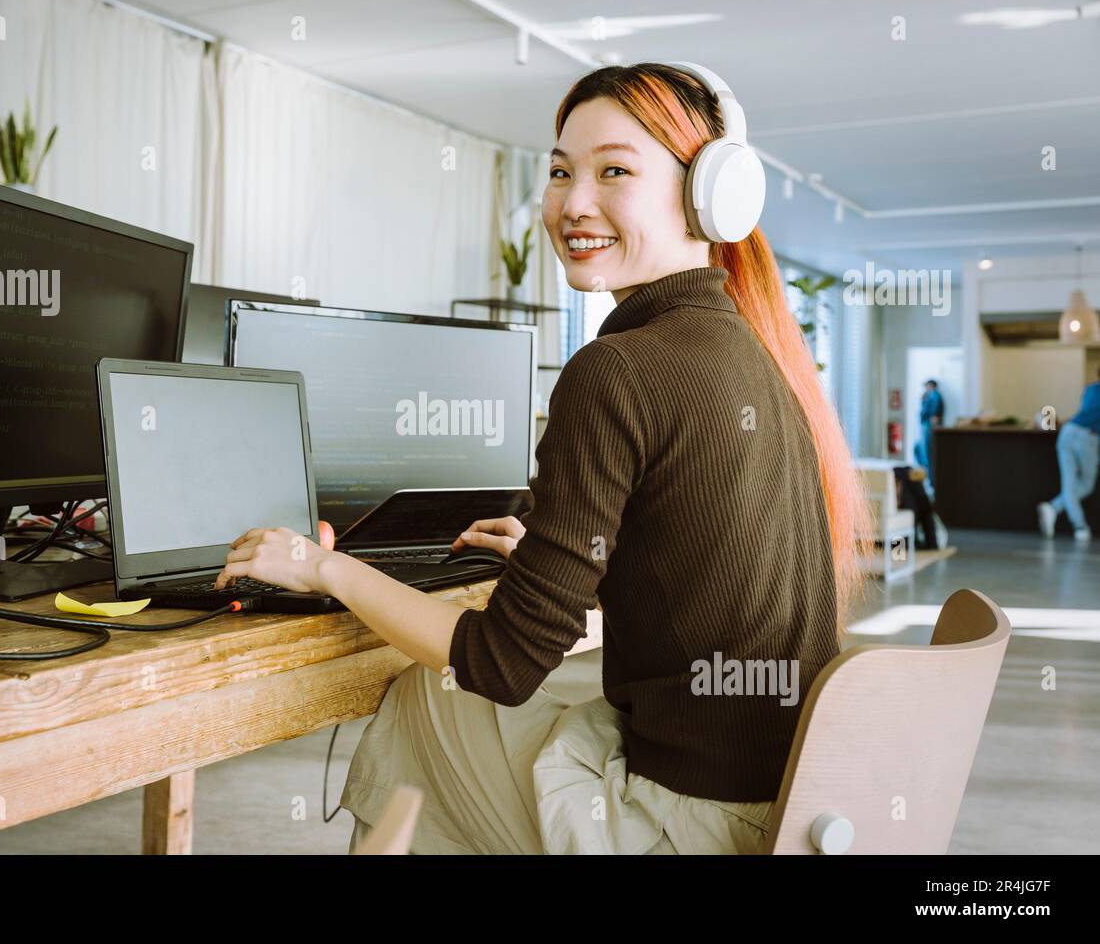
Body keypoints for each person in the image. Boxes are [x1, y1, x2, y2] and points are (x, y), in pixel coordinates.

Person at [214, 63, 868, 854]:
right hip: (780, 808)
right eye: (561, 172)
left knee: (430, 702)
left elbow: (503, 664)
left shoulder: (615, 368)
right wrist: (568, 556)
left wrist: (324, 569)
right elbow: (703, 554)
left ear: (707, 198)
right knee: (435, 706)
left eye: (614, 171)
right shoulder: (751, 350)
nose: (573, 203)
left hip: (686, 824)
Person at [1039, 375, 1100, 542]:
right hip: (1087, 437)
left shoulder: (1091, 389)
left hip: (1068, 431)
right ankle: (1079, 526)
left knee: (1070, 483)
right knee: (1084, 484)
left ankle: (1053, 508)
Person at [914, 379, 944, 491]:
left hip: (929, 427)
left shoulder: (935, 396)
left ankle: (931, 481)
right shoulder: (930, 396)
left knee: (929, 453)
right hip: (926, 426)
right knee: (921, 451)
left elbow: (935, 415)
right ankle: (929, 479)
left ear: (931, 385)